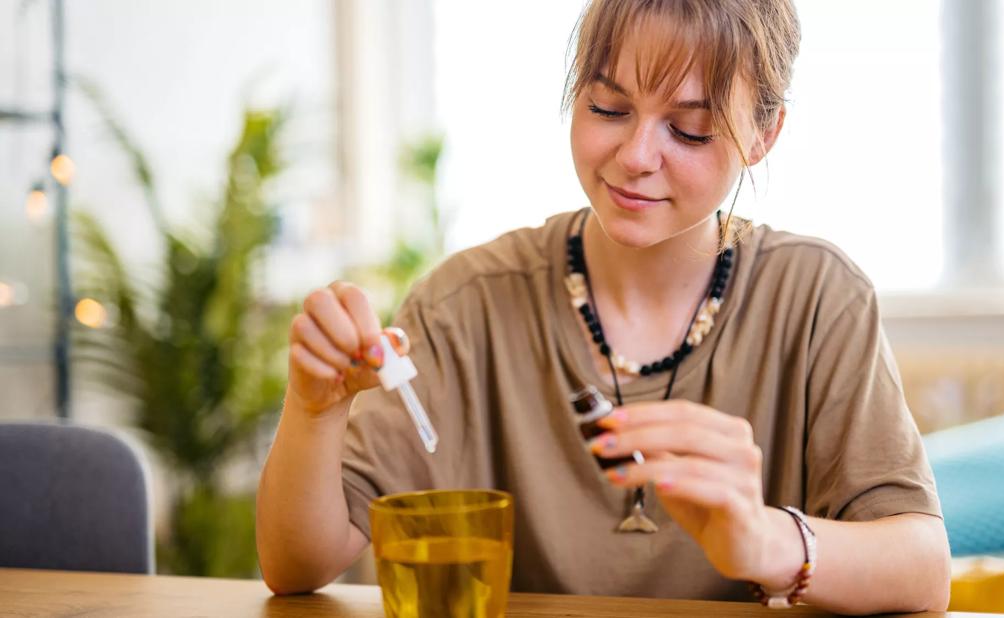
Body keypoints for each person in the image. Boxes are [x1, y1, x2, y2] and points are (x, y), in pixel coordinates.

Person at [256, 0, 951, 613]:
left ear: (763, 133)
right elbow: (298, 568)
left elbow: (922, 569)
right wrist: (316, 411)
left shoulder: (815, 298)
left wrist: (766, 540)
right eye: (608, 109)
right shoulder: (466, 302)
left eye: (689, 129)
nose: (635, 156)